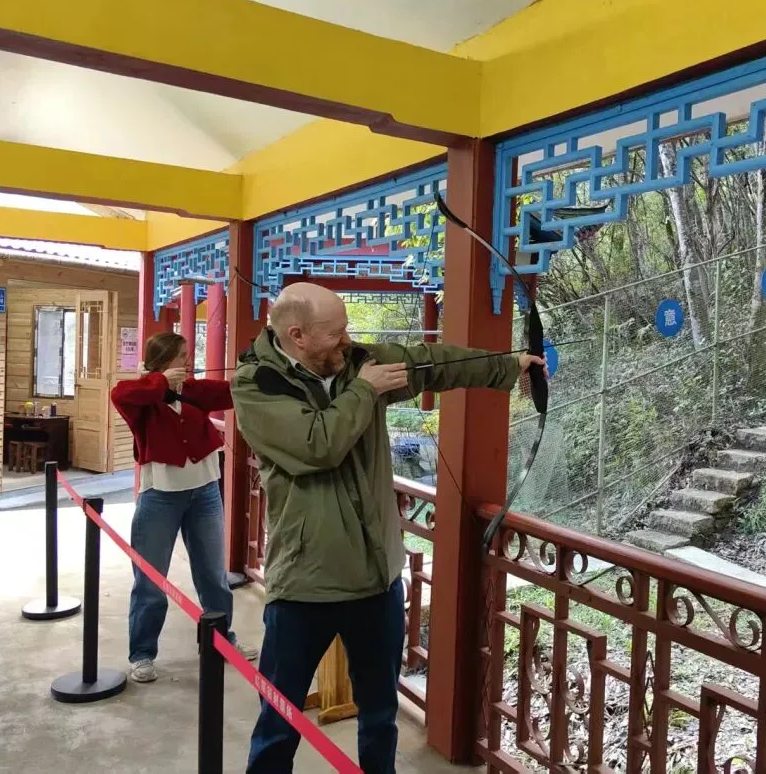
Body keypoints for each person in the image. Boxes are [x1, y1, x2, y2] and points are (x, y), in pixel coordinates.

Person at [231, 282, 544, 774]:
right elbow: (317, 445)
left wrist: (508, 366)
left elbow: (431, 363)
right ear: (297, 336)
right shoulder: (256, 385)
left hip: (377, 577)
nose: (347, 339)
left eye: (347, 330)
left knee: (379, 716)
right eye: (335, 333)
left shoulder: (354, 362)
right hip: (305, 583)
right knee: (279, 719)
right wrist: (364, 390)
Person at [110, 331, 258, 684]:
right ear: (164, 361)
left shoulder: (191, 390)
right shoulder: (141, 395)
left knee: (213, 576)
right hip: (160, 495)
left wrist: (253, 369)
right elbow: (121, 394)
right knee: (150, 580)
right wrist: (160, 381)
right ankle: (142, 653)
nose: (188, 362)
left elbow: (232, 391)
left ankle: (220, 641)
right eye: (181, 356)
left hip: (204, 492)